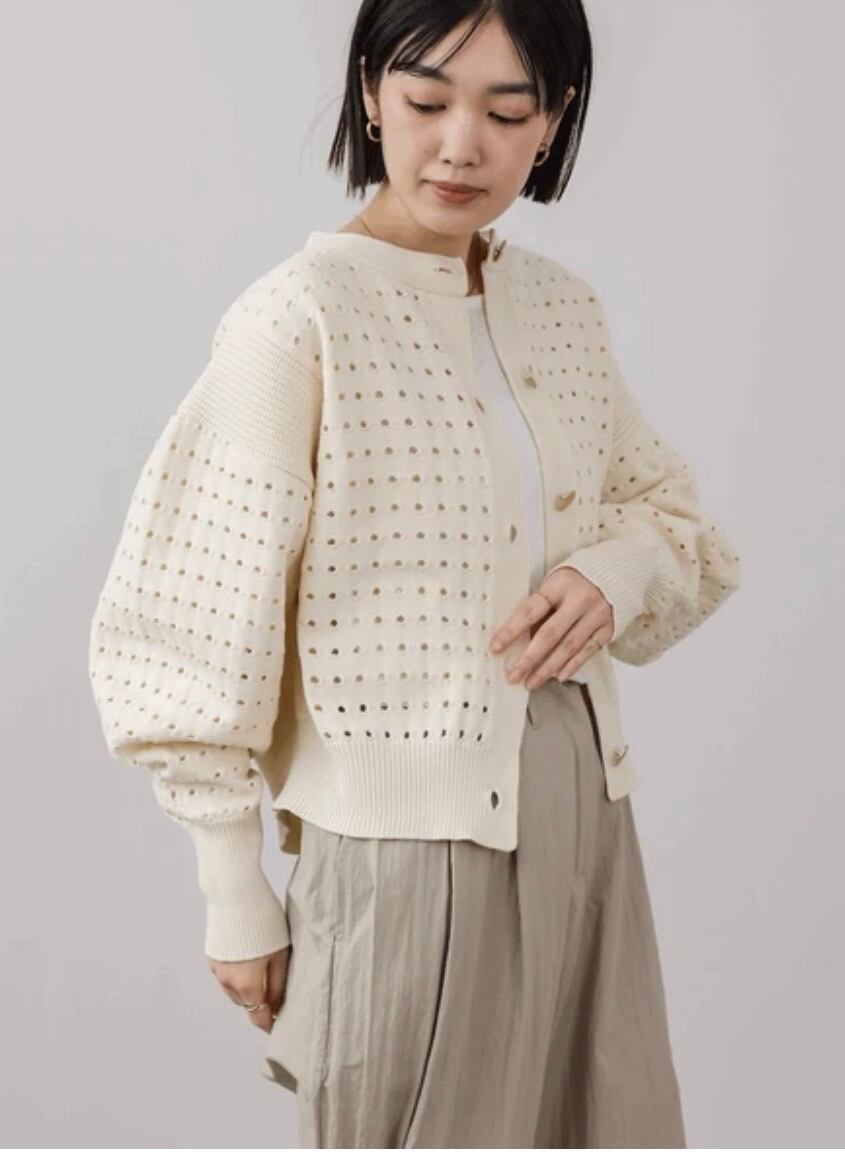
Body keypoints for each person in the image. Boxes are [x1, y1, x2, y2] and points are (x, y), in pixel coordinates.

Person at [88, 0, 742, 1147]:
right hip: (399, 849)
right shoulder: (297, 321)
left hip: (584, 820)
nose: (459, 146)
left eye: (507, 111)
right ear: (369, 93)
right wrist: (233, 888)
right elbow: (187, 614)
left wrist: (618, 569)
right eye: (427, 100)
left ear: (554, 120)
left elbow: (669, 515)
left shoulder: (559, 309)